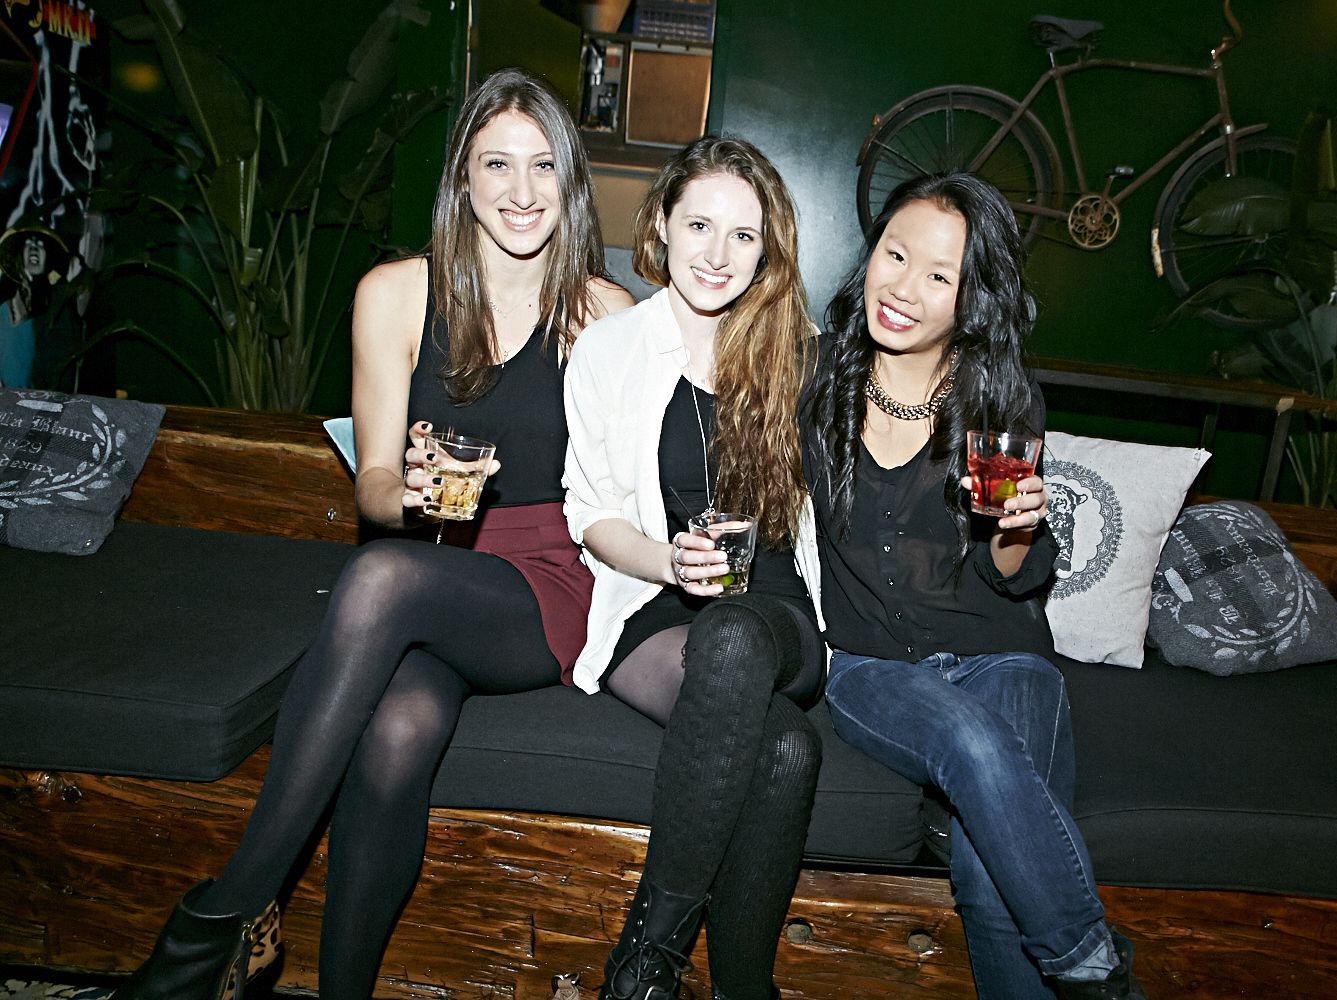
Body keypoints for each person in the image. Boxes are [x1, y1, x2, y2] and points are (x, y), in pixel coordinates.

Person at [113, 69, 633, 1000]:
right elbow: (378, 490)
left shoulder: (603, 314)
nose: (522, 191)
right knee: (398, 729)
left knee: (383, 582)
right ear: (462, 181)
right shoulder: (396, 293)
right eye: (496, 164)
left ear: (571, 181)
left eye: (544, 165)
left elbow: (626, 492)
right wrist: (423, 494)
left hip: (545, 581)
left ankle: (218, 922)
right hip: (425, 560)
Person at [801, 172, 1148, 1000]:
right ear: (869, 258)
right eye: (896, 255)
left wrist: (1019, 528)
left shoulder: (998, 395)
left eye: (939, 275)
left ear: (969, 297)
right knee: (974, 742)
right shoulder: (814, 381)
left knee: (989, 881)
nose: (906, 288)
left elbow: (1011, 578)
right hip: (869, 665)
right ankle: (1097, 972)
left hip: (1002, 655)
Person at [563, 135, 822, 1000]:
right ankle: (745, 988)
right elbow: (592, 515)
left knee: (742, 638)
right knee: (784, 749)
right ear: (663, 225)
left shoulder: (799, 355)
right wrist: (669, 561)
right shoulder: (610, 350)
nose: (718, 253)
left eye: (743, 235)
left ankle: (645, 963)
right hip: (657, 603)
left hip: (774, 610)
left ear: (768, 248)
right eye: (700, 224)